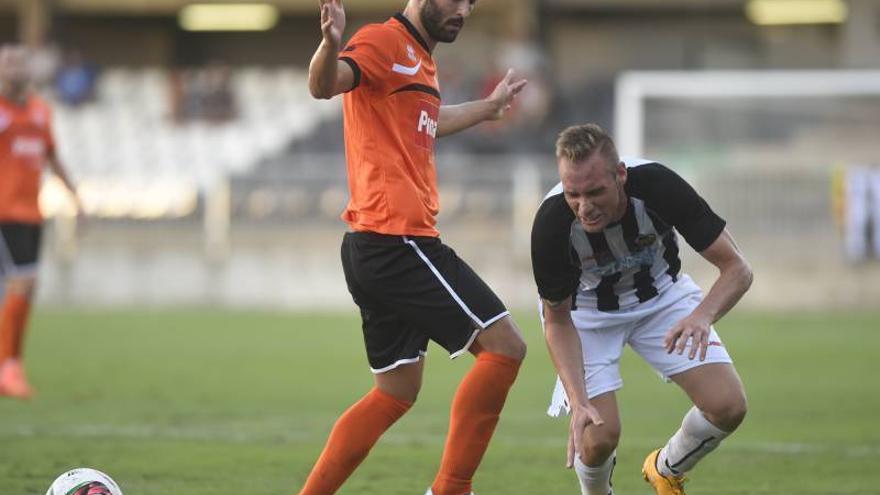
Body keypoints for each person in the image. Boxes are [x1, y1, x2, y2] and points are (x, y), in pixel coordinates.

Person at [303, 1, 528, 494]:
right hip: (398, 239)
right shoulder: (383, 42)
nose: (464, 10)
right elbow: (324, 85)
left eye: (472, 2)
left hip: (371, 246)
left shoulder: (421, 59)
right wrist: (329, 43)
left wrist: (488, 109)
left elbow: (429, 121)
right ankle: (450, 490)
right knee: (505, 347)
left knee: (395, 391)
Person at [531, 124, 752, 495]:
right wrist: (578, 400)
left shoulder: (659, 187)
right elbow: (557, 319)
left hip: (662, 297)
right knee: (599, 436)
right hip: (586, 314)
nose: (584, 207)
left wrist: (702, 315)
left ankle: (666, 469)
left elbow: (737, 269)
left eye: (596, 192)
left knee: (728, 406)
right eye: (574, 194)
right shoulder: (552, 223)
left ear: (620, 175)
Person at [0, 44, 83, 399]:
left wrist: (75, 197)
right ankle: (9, 368)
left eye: (22, 61)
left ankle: (10, 365)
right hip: (2, 213)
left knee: (25, 288)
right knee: (23, 283)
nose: (17, 67)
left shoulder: (40, 112)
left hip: (31, 213)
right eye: (9, 61)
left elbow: (52, 157)